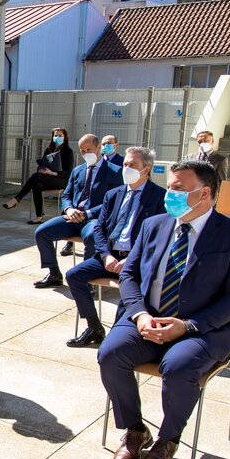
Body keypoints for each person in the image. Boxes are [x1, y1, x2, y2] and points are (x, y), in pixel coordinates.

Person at [98, 159, 230, 459]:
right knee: (110, 354)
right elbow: (129, 275)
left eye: (179, 188)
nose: (170, 194)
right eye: (169, 186)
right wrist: (139, 314)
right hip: (147, 319)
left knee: (179, 366)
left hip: (201, 330)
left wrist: (186, 326)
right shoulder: (154, 225)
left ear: (205, 193)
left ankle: (167, 439)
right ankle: (135, 430)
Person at [65, 147, 166, 347]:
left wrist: (131, 259)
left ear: (146, 169)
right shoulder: (113, 194)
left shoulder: (159, 197)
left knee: (131, 291)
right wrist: (105, 255)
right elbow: (100, 229)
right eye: (125, 164)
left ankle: (117, 338)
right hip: (109, 257)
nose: (126, 168)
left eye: (132, 165)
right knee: (74, 275)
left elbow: (158, 236)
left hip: (135, 261)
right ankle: (94, 326)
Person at [33, 134, 123, 288]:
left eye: (89, 149)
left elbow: (112, 202)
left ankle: (86, 279)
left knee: (93, 236)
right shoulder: (78, 170)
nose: (86, 153)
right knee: (42, 232)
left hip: (94, 218)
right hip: (72, 217)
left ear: (98, 148)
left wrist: (87, 214)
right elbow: (67, 194)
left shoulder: (115, 172)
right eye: (82, 151)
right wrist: (68, 209)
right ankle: (54, 273)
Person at [2, 127, 75, 223]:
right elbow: (43, 164)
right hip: (47, 179)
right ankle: (39, 216)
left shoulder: (68, 152)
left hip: (61, 181)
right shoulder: (49, 150)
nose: (57, 137)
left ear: (65, 137)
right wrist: (41, 169)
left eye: (60, 135)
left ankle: (17, 199)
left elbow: (68, 173)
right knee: (36, 184)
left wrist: (52, 173)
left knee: (36, 176)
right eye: (55, 135)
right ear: (52, 137)